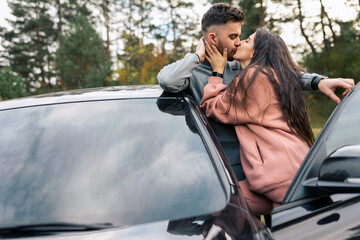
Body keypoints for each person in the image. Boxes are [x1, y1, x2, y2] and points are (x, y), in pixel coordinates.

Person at [157, 3, 354, 181]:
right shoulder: (191, 72)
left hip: (259, 163)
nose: (238, 42)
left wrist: (317, 82)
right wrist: (198, 56)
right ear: (212, 38)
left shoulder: (239, 65)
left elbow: (280, 71)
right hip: (219, 164)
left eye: (239, 36)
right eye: (233, 36)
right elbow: (166, 80)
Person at [200, 27, 316, 215]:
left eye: (247, 40)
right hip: (297, 166)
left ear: (255, 52)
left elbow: (212, 107)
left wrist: (217, 71)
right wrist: (318, 81)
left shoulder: (252, 77)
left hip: (279, 175)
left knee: (216, 203)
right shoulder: (275, 75)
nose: (240, 42)